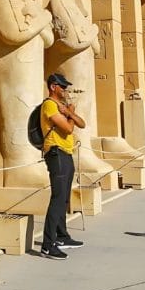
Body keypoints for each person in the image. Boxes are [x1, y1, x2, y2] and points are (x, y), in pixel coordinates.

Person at [40, 73, 86, 259]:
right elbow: (68, 128)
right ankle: (47, 245)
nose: (65, 90)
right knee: (57, 199)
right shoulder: (49, 105)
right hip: (56, 153)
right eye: (62, 86)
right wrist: (69, 116)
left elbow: (82, 123)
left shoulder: (64, 108)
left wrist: (70, 113)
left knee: (64, 199)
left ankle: (62, 236)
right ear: (53, 87)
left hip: (66, 154)